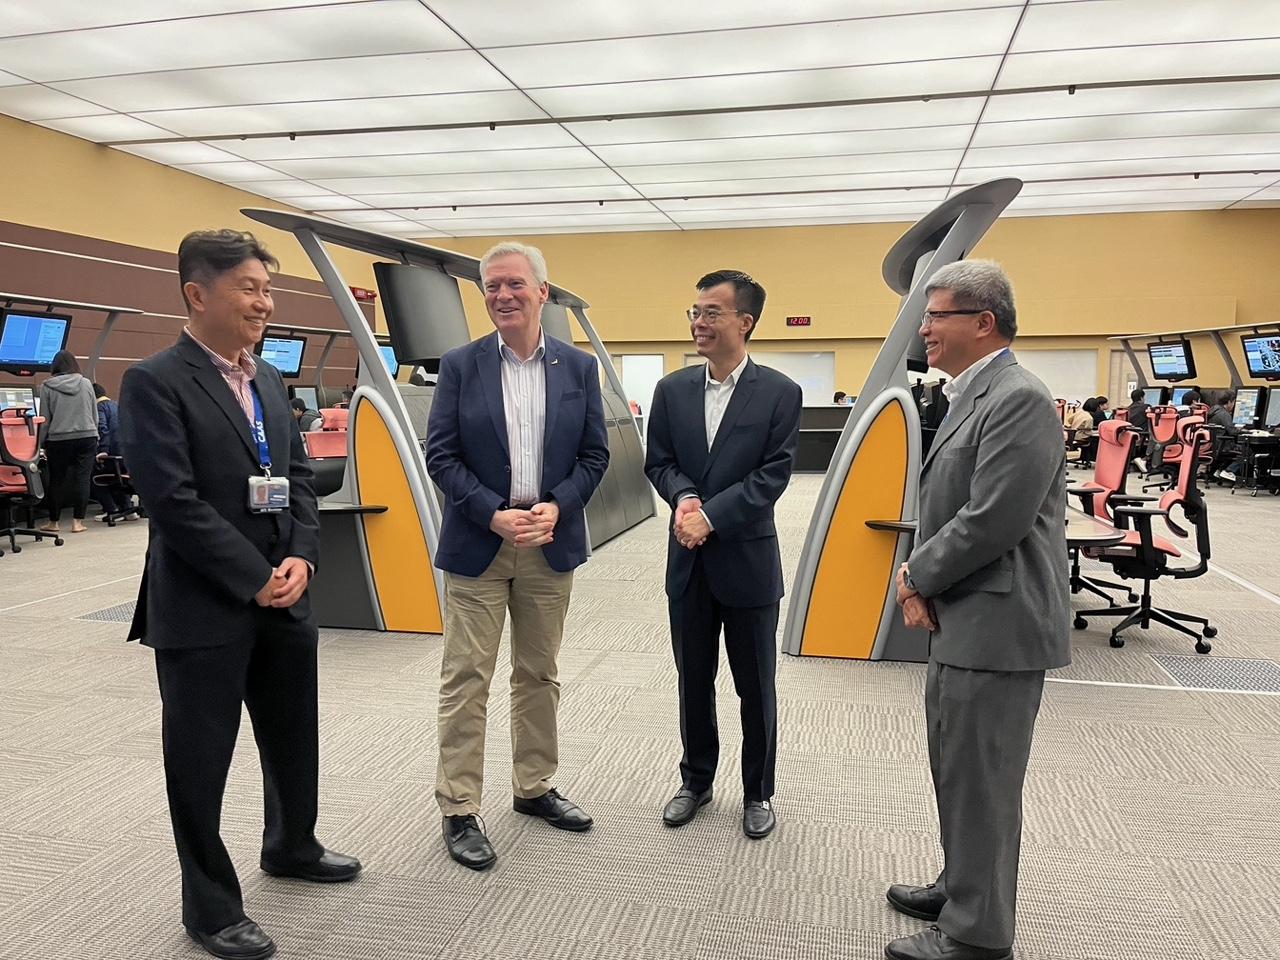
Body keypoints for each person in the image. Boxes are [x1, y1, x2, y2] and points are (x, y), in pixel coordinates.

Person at [120, 229, 359, 960]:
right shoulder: (154, 381)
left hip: (286, 595)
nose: (265, 302)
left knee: (293, 737)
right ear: (198, 294)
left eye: (266, 288)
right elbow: (174, 502)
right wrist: (254, 577)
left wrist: (302, 561)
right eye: (250, 288)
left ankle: (292, 845)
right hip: (204, 606)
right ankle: (211, 909)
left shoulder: (267, 381)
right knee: (200, 761)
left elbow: (299, 482)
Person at [888, 260, 1068, 960]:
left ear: (983, 322)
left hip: (999, 622)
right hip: (969, 615)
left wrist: (913, 575)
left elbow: (992, 519)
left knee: (984, 782)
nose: (925, 327)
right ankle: (963, 885)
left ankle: (976, 936)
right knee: (959, 768)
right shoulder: (974, 392)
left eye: (937, 315)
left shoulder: (1017, 396)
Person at [425, 240, 609, 871]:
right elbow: (441, 456)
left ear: (542, 293)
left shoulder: (577, 369)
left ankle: (533, 788)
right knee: (466, 677)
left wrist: (559, 505)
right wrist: (490, 512)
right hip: (480, 544)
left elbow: (594, 456)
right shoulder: (460, 365)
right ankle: (459, 807)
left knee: (539, 673)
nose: (502, 295)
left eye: (513, 284)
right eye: (491, 287)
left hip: (549, 543)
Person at [644, 269, 802, 841]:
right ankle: (697, 779)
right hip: (688, 562)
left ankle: (758, 790)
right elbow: (659, 461)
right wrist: (686, 498)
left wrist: (712, 516)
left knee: (755, 684)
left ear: (745, 322)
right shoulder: (671, 390)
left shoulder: (781, 392)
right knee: (693, 680)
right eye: (695, 311)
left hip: (747, 561)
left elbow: (773, 475)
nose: (699, 322)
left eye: (711, 312)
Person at [36, 350, 98, 535]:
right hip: (87, 436)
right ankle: (77, 522)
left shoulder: (47, 386)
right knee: (82, 478)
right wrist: (94, 432)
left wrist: (41, 443)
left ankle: (53, 522)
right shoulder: (86, 383)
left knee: (57, 480)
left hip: (59, 438)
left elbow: (45, 419)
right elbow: (94, 412)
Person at [92, 382, 139, 521]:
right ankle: (127, 509)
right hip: (127, 455)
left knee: (91, 475)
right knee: (120, 477)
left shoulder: (99, 408)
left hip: (112, 455)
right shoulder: (116, 405)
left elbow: (103, 429)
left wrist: (103, 450)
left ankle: (111, 510)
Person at [1207, 390, 1243, 481]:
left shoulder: (1213, 410)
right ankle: (1229, 471)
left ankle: (1219, 471)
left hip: (1212, 445)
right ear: (1230, 402)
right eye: (1234, 402)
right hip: (1223, 446)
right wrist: (1243, 431)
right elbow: (1232, 432)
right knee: (1247, 451)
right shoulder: (1224, 414)